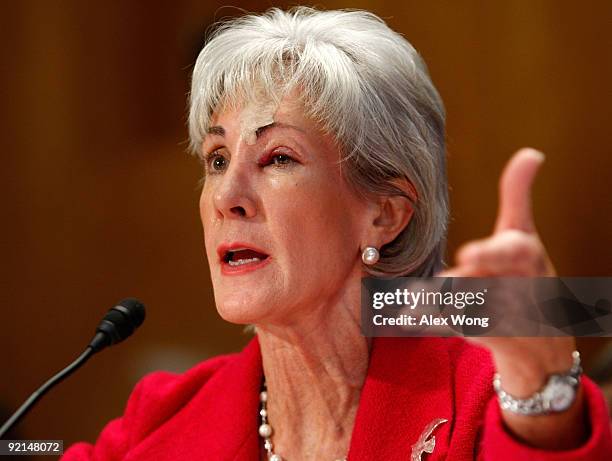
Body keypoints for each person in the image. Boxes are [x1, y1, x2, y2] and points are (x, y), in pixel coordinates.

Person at [62, 7, 612, 460]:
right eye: (217, 158)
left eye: (277, 157)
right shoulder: (159, 423)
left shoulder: (480, 393)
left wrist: (544, 395)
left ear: (385, 213)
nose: (228, 196)